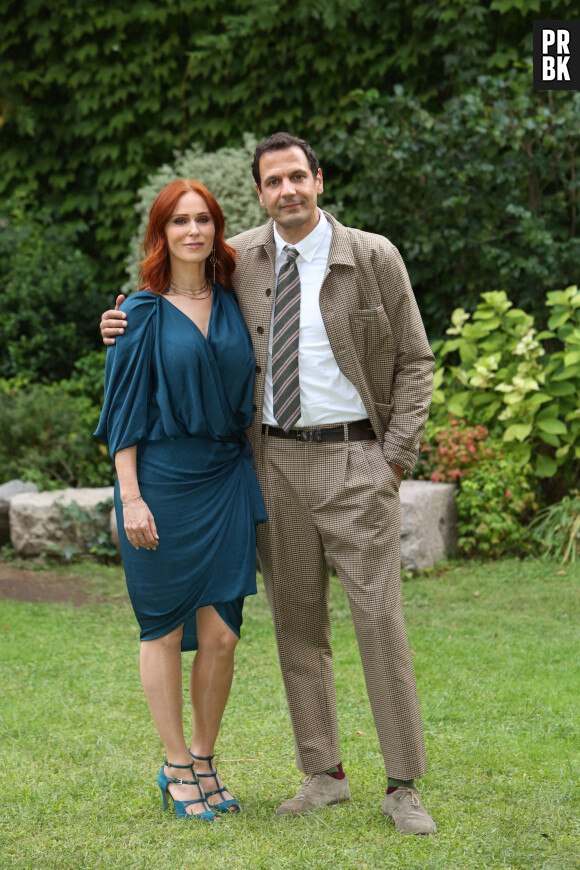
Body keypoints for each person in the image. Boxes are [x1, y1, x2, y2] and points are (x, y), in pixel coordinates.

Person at [100, 133, 436, 835]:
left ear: (319, 179)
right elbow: (167, 305)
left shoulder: (372, 256)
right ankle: (323, 774)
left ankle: (402, 784)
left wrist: (394, 457)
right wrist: (118, 321)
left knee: (379, 619)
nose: (286, 190)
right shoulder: (241, 257)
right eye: (272, 182)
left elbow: (415, 360)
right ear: (259, 194)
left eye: (296, 177)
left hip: (355, 459)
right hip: (271, 465)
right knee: (295, 623)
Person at [95, 179, 267, 822]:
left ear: (216, 230)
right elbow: (122, 413)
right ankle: (174, 764)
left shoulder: (233, 300)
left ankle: (202, 756)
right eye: (179, 221)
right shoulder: (138, 312)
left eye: (203, 220)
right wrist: (131, 498)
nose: (192, 231)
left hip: (225, 476)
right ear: (161, 233)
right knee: (162, 626)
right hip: (161, 482)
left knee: (221, 634)